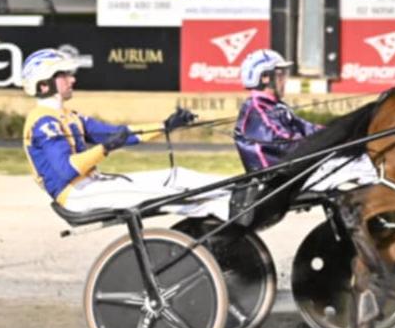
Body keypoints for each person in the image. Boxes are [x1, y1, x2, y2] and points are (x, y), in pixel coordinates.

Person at [21, 45, 216, 213]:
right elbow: (66, 170)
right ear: (44, 85)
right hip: (76, 196)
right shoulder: (43, 122)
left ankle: (234, 198)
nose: (72, 80)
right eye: (63, 75)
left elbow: (120, 134)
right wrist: (105, 148)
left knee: (179, 176)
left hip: (94, 184)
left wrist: (166, 126)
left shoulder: (69, 116)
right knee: (177, 196)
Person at [233, 48, 377, 191]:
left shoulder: (275, 106)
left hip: (297, 169)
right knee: (365, 166)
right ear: (265, 77)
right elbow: (284, 143)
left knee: (363, 160)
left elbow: (308, 129)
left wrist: (337, 135)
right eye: (280, 74)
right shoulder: (257, 109)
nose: (284, 79)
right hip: (280, 177)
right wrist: (323, 145)